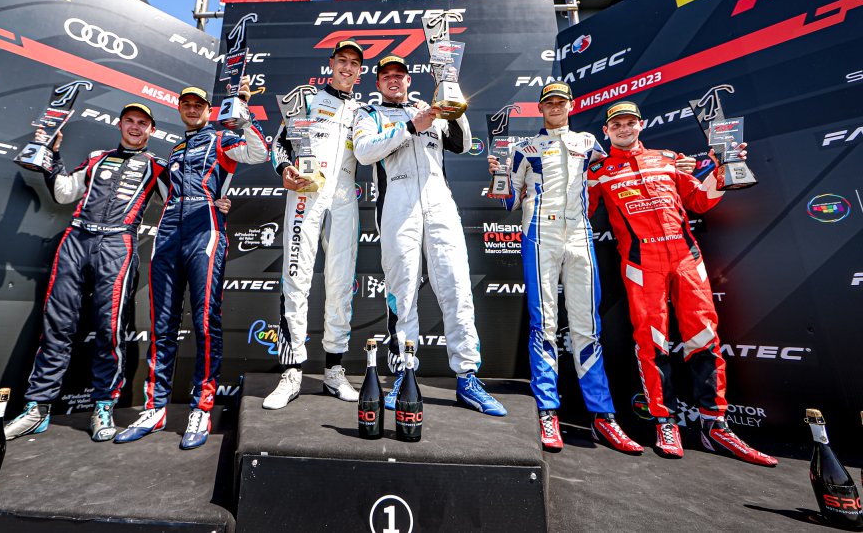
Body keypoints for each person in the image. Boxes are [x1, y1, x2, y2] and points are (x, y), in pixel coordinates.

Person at [587, 101, 776, 466]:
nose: (624, 128)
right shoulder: (599, 171)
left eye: (630, 122)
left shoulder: (669, 159)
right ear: (606, 131)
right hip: (641, 263)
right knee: (652, 342)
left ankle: (714, 425)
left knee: (704, 337)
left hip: (686, 257)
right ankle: (665, 422)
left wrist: (723, 167)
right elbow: (579, 209)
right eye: (617, 124)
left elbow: (700, 201)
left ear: (641, 125)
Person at [487, 82, 642, 453]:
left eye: (560, 102)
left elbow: (614, 170)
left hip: (579, 235)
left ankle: (603, 417)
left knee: (587, 326)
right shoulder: (524, 148)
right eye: (549, 103)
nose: (555, 107)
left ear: (571, 105)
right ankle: (548, 411)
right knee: (545, 325)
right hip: (540, 233)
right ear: (541, 108)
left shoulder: (590, 143)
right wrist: (498, 175)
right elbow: (508, 202)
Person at [115, 81, 268, 449]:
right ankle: (155, 408)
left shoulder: (221, 139)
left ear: (207, 109)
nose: (192, 108)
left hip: (205, 229)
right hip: (169, 231)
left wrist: (244, 117)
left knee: (204, 321)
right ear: (180, 108)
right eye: (187, 103)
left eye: (199, 104)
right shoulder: (176, 148)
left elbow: (259, 153)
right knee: (162, 324)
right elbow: (167, 192)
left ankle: (201, 408)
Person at [4, 103, 168, 443]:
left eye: (142, 123)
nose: (135, 127)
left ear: (151, 130)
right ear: (120, 124)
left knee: (109, 328)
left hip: (118, 242)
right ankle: (36, 408)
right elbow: (64, 193)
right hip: (77, 238)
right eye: (129, 121)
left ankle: (104, 405)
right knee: (57, 324)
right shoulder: (96, 158)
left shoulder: (157, 166)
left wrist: (215, 204)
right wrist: (52, 154)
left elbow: (179, 203)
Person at [352, 55, 506, 417]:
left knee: (457, 287)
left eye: (399, 75)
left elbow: (462, 144)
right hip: (397, 206)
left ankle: (467, 377)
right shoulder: (368, 114)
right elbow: (363, 152)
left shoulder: (430, 108)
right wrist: (410, 125)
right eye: (386, 76)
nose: (393, 80)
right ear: (378, 84)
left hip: (440, 205)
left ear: (409, 80)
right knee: (402, 293)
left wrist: (451, 101)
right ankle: (404, 375)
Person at [263, 39, 363, 410]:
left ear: (359, 71)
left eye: (354, 63)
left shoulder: (364, 111)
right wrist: (284, 169)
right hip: (305, 194)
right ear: (331, 63)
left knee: (340, 284)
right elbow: (278, 145)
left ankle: (334, 370)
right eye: (342, 60)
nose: (347, 68)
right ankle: (291, 372)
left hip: (344, 199)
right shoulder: (305, 99)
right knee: (296, 279)